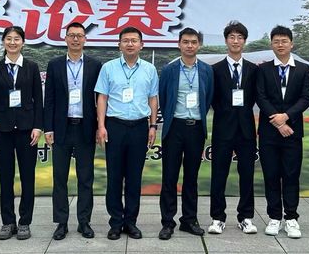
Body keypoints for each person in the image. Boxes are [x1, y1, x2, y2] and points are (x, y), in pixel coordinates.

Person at [95, 26, 159, 240]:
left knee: (134, 177)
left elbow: (153, 99)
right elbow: (102, 98)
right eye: (126, 40)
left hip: (139, 127)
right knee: (114, 176)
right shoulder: (108, 68)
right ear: (119, 44)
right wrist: (101, 126)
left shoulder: (149, 69)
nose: (130, 44)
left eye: (134, 40)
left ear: (141, 45)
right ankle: (115, 222)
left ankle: (131, 222)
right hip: (115, 126)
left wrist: (152, 126)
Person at [44, 22, 102, 240]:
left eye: (79, 35)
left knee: (85, 178)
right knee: (60, 178)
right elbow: (49, 98)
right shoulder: (55, 64)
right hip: (62, 128)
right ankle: (61, 223)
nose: (75, 39)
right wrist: (48, 128)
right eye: (71, 35)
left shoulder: (95, 65)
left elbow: (100, 99)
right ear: (66, 38)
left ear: (85, 39)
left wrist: (99, 126)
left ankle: (84, 222)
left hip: (86, 128)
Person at [0, 26, 43, 241]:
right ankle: (8, 222)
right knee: (6, 177)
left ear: (23, 42)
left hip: (27, 130)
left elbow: (38, 99)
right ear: (3, 42)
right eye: (8, 39)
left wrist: (38, 126)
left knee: (28, 177)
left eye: (16, 39)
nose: (12, 42)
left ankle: (24, 221)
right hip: (3, 129)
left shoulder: (31, 67)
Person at [256, 25, 309, 239]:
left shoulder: (303, 69)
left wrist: (286, 117)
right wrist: (278, 122)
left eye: (284, 41)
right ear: (271, 44)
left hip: (293, 131)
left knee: (291, 175)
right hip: (269, 132)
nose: (280, 45)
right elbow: (261, 97)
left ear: (291, 44)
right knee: (271, 175)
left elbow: (305, 98)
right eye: (276, 41)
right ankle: (274, 217)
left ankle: (291, 218)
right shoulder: (263, 69)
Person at [158, 28, 214, 240]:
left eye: (193, 42)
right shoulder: (169, 70)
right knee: (169, 177)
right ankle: (167, 222)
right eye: (186, 42)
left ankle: (189, 220)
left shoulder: (207, 70)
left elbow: (208, 97)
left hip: (196, 128)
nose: (190, 45)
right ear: (179, 44)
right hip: (174, 128)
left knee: (191, 176)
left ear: (199, 45)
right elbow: (163, 97)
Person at [208, 21, 259, 235]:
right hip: (223, 128)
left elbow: (256, 96)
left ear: (244, 41)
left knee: (247, 174)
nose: (235, 41)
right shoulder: (215, 69)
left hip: (246, 129)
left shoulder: (254, 70)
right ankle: (217, 218)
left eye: (239, 37)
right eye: (232, 37)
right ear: (226, 40)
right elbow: (212, 98)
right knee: (219, 174)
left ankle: (245, 217)